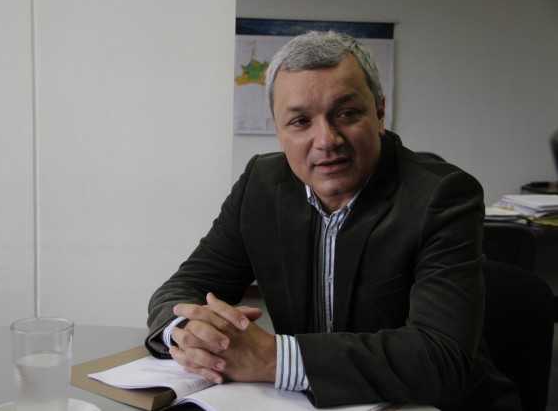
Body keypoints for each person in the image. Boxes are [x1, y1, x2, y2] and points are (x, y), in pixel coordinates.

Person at [146, 31, 520, 410]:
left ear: (379, 113)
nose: (326, 140)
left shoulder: (442, 195)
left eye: (347, 114)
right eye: (300, 121)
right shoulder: (260, 186)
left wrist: (275, 358)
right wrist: (189, 332)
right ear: (278, 130)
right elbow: (184, 287)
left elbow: (441, 356)